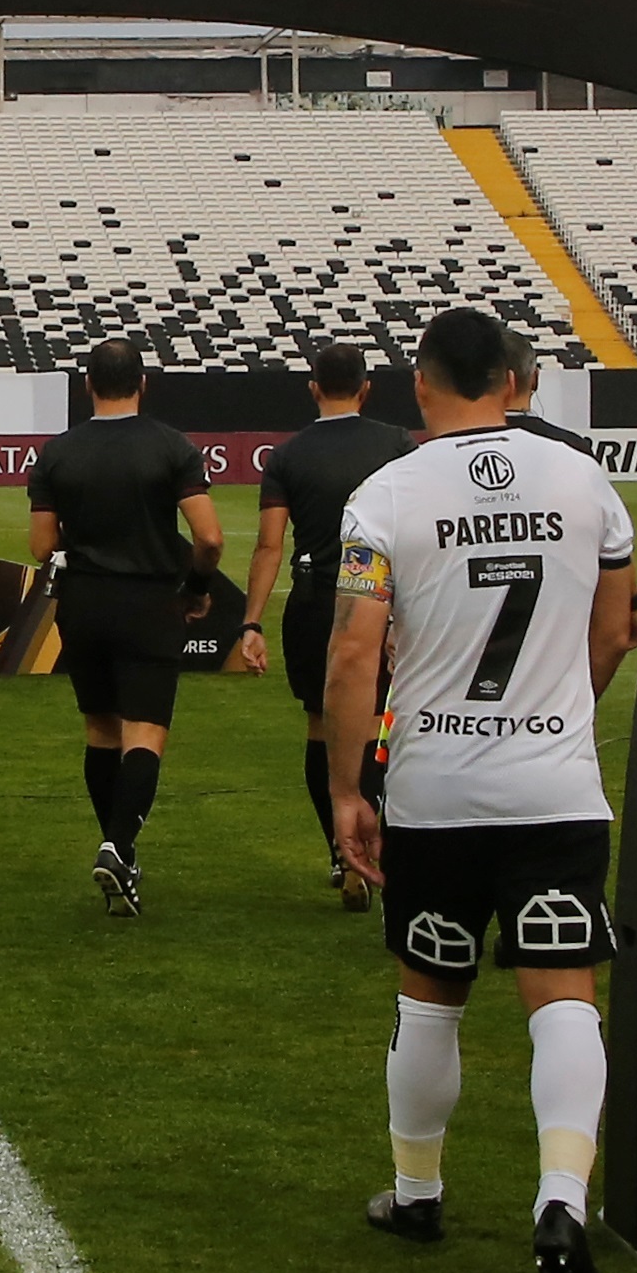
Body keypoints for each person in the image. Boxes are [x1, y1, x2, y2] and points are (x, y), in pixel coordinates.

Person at [325, 307, 637, 1273]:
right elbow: (616, 627)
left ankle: (418, 1192)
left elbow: (350, 649)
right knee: (563, 996)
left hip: (437, 786)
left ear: (420, 385)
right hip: (554, 784)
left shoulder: (384, 496)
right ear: (512, 380)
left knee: (431, 993)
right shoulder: (586, 480)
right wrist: (564, 713)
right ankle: (560, 1195)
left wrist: (345, 789)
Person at [21, 336, 226, 920]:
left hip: (84, 603)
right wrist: (198, 587)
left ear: (87, 385)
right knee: (145, 735)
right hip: (149, 602)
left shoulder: (58, 452)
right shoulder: (171, 446)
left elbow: (41, 545)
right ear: (144, 383)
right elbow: (209, 537)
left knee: (101, 732)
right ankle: (120, 844)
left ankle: (120, 856)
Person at [239, 338, 418, 909]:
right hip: (384, 600)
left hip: (315, 600)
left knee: (322, 726)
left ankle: (343, 853)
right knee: (371, 728)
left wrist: (251, 622)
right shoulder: (396, 444)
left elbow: (270, 546)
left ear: (313, 388)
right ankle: (373, 850)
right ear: (366, 388)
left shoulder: (287, 455)